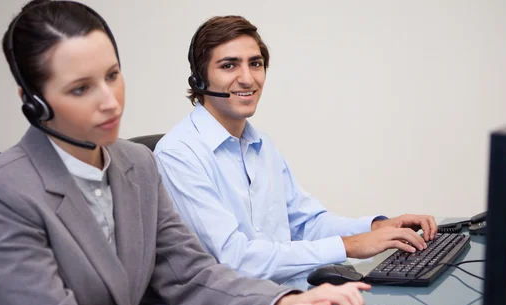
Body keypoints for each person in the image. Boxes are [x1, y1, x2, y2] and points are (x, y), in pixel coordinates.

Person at [0, 2, 371, 305]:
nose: (110, 101)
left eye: (112, 75)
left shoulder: (136, 164)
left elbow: (192, 274)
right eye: (81, 88)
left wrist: (284, 300)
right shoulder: (0, 191)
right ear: (32, 100)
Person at [153, 16, 439, 284]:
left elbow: (307, 223)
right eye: (229, 65)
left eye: (255, 63)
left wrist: (376, 227)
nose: (248, 78)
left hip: (295, 298)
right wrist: (349, 246)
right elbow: (235, 260)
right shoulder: (179, 154)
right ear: (199, 80)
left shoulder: (260, 145)